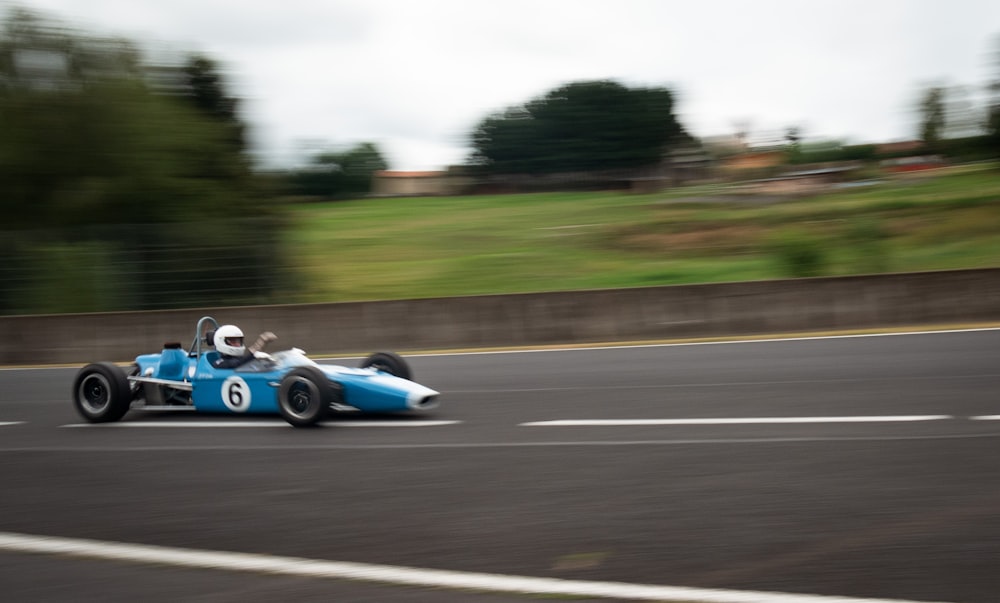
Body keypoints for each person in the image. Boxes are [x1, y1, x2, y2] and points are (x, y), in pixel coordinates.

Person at [212, 324, 277, 369]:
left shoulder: (237, 359)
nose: (237, 344)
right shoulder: (219, 363)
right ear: (222, 342)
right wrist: (261, 342)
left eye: (238, 341)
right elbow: (237, 364)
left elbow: (243, 360)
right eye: (233, 341)